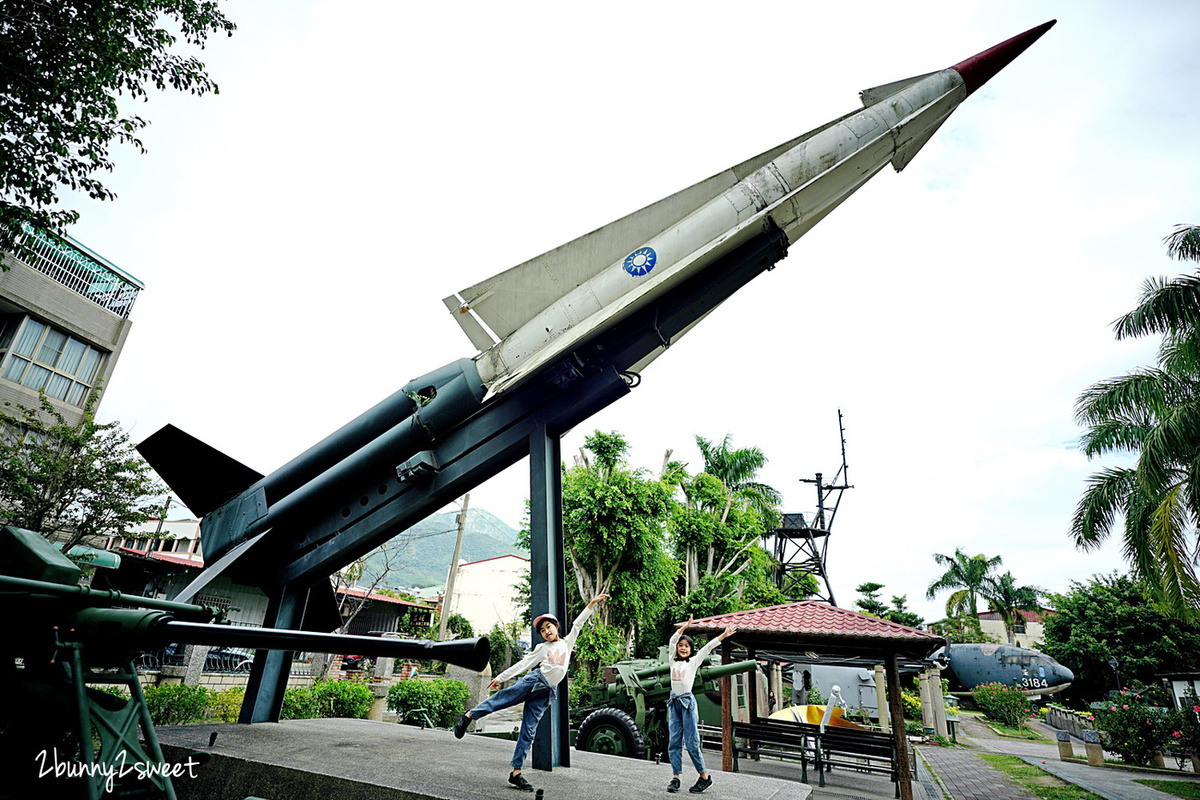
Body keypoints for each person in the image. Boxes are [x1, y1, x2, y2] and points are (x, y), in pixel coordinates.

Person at [453, 593, 608, 791]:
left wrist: (592, 604)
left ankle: (516, 773)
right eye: (542, 630)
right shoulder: (542, 648)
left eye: (548, 627)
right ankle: (468, 716)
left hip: (546, 693)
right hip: (533, 681)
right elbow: (524, 663)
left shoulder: (567, 643)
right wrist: (500, 678)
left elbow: (578, 624)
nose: (546, 632)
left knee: (529, 731)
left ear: (556, 626)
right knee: (501, 700)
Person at [666, 617, 737, 794]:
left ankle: (704, 776)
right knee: (674, 741)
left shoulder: (694, 662)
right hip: (674, 703)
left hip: (687, 704)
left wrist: (723, 635)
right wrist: (684, 628)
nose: (683, 648)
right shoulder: (672, 660)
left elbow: (708, 648)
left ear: (691, 650)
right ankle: (676, 777)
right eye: (681, 645)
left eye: (687, 646)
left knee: (691, 742)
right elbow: (672, 640)